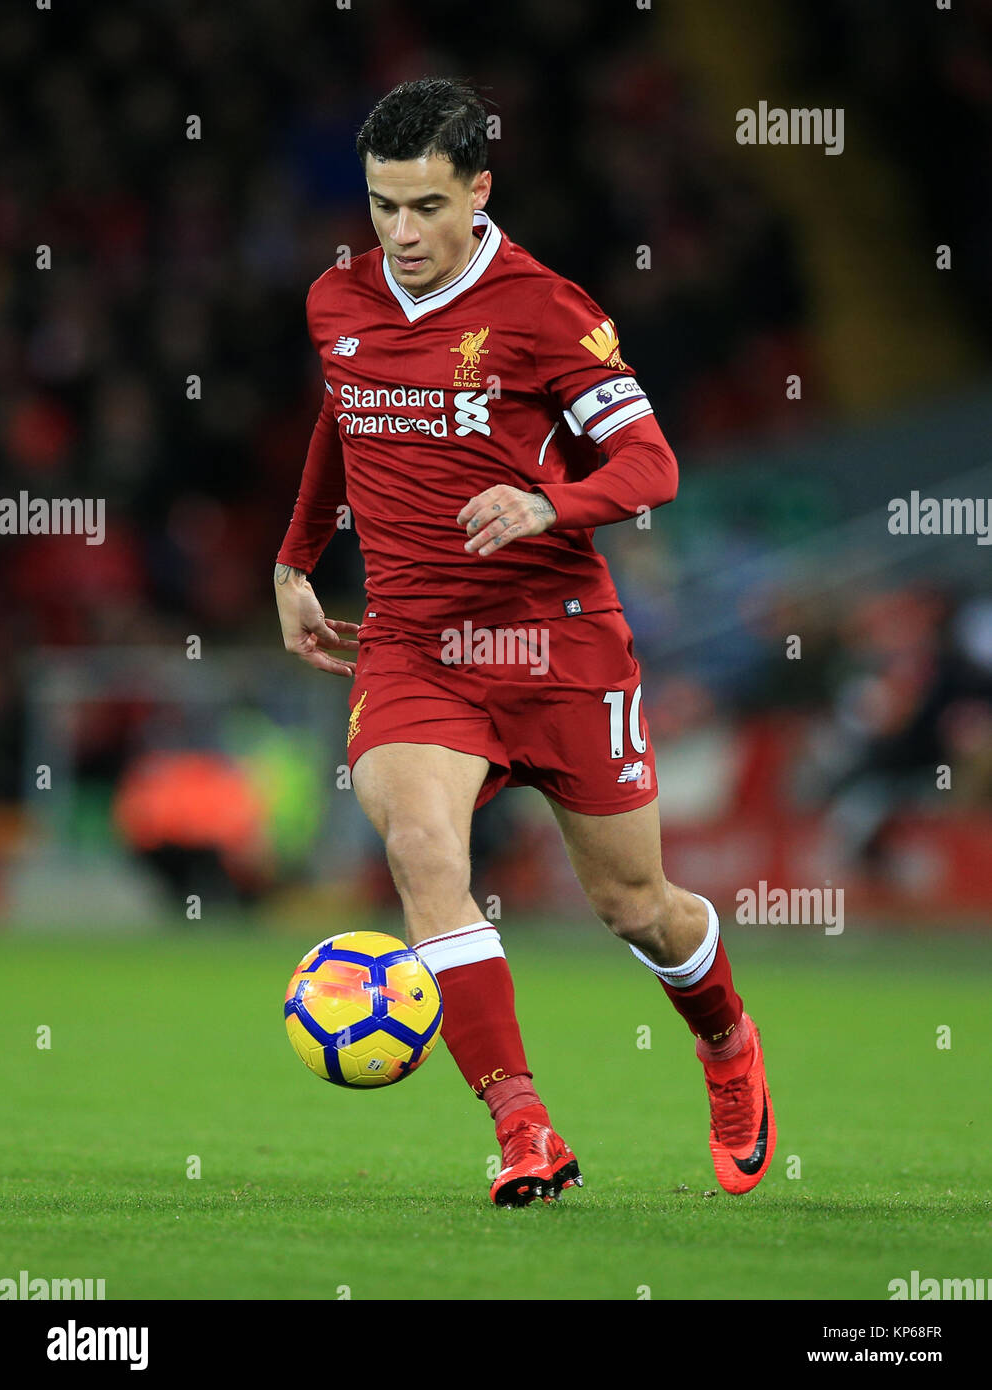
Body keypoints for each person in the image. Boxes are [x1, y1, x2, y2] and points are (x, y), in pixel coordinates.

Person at [275, 78, 775, 1206]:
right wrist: (295, 559)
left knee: (634, 907)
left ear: (480, 190)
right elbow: (341, 414)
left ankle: (725, 1041)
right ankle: (523, 1129)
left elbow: (652, 464)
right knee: (419, 850)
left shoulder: (544, 309)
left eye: (426, 207)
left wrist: (555, 505)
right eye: (380, 206)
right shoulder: (337, 300)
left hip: (557, 645)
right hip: (414, 646)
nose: (399, 234)